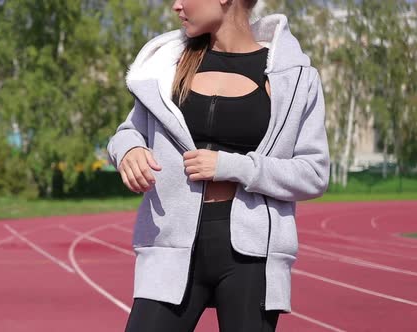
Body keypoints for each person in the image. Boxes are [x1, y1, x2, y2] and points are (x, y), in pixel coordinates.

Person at [106, 0, 330, 331]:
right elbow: (127, 133)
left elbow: (314, 173)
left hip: (251, 256)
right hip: (170, 246)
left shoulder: (294, 78)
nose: (176, 5)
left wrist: (232, 167)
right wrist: (129, 150)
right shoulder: (168, 66)